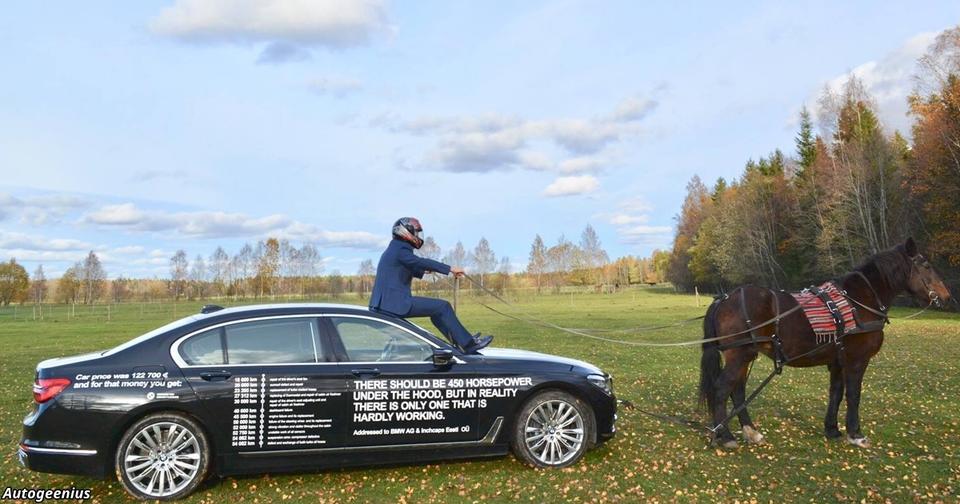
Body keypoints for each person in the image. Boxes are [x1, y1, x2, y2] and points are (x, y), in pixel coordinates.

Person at [369, 217, 493, 353]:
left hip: (386, 303)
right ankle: (468, 344)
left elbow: (407, 267)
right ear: (405, 232)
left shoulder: (395, 249)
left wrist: (427, 270)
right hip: (394, 304)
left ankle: (460, 340)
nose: (418, 236)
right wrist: (450, 269)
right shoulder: (400, 250)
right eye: (416, 233)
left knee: (437, 312)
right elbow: (419, 262)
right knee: (443, 306)